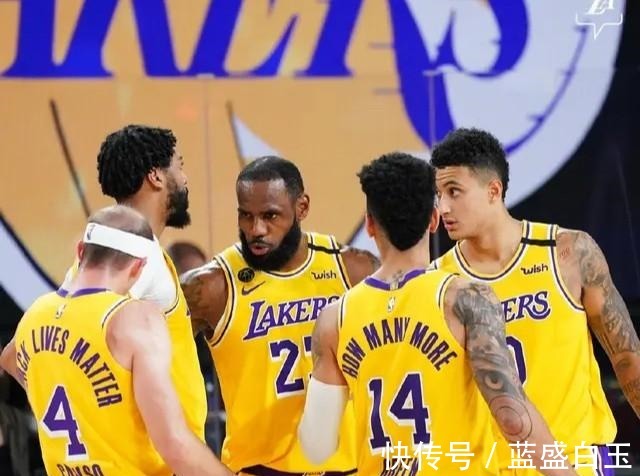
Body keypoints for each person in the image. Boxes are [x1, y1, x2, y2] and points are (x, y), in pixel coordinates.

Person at [298, 152, 578, 476]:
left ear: (370, 225)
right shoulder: (465, 299)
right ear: (433, 220)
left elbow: (316, 446)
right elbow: (512, 418)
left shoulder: (335, 318)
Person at [431, 127, 640, 474]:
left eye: (454, 191)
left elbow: (627, 357)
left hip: (576, 460)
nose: (443, 207)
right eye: (438, 194)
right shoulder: (438, 281)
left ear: (493, 190)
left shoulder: (568, 253)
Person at [181, 156, 380, 475]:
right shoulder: (211, 287)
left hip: (348, 468)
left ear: (302, 207)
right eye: (246, 216)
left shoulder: (353, 270)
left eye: (270, 215)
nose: (256, 230)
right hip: (257, 469)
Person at [0, 205, 232, 476]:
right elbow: (176, 445)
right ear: (139, 267)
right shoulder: (133, 319)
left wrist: (75, 391)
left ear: (80, 251)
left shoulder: (37, 313)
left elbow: (9, 359)